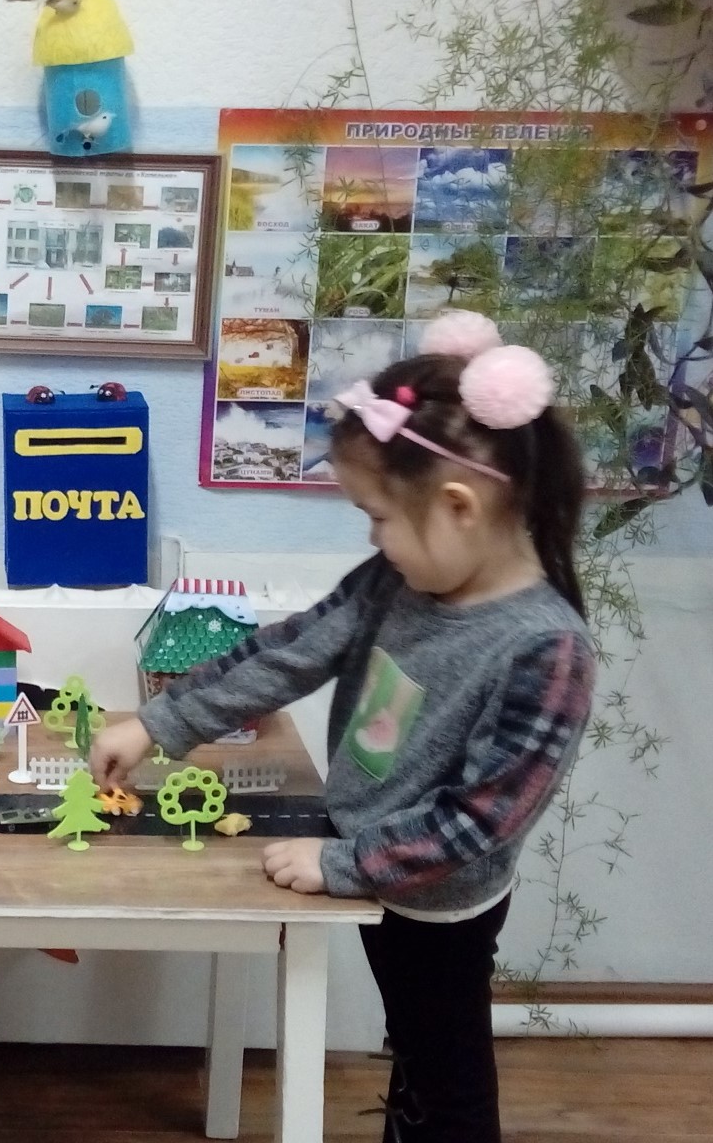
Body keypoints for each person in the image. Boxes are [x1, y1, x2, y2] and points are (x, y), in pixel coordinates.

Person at [92, 311, 595, 1143]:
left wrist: (343, 865)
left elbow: (478, 822)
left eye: (379, 517)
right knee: (419, 1055)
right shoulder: (397, 583)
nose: (373, 538)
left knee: (448, 1083)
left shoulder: (547, 651)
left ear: (459, 507)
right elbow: (289, 651)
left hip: (436, 902)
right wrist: (157, 723)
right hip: (372, 863)